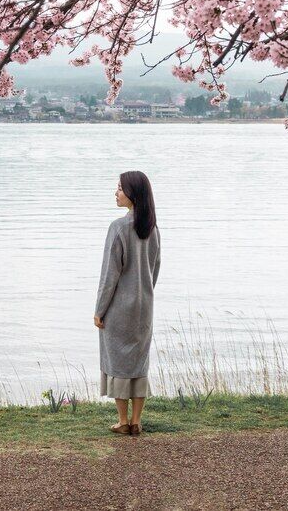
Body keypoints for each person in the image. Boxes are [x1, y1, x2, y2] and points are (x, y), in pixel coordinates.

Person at [94, 170, 160, 436]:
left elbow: (110, 275)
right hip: (145, 306)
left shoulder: (118, 227)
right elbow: (155, 268)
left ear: (132, 193)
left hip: (120, 307)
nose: (116, 192)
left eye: (120, 188)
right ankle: (137, 421)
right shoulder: (152, 228)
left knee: (118, 362)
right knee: (138, 363)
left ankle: (122, 421)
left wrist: (100, 310)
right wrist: (145, 292)